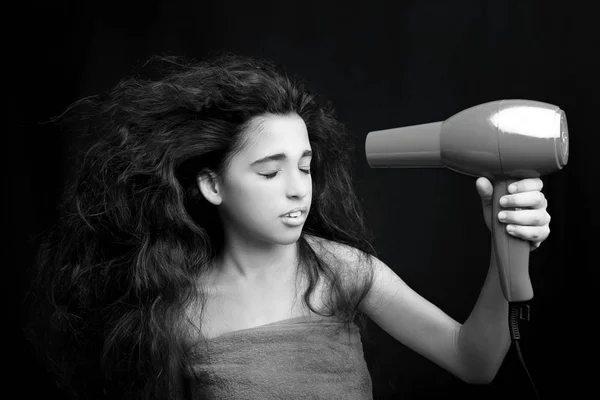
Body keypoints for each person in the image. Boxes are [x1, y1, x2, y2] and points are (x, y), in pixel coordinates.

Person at [24, 54, 552, 400]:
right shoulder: (178, 312)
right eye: (271, 171)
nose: (299, 189)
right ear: (212, 185)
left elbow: (475, 361)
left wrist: (502, 243)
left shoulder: (342, 271)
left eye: (305, 166)